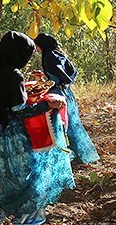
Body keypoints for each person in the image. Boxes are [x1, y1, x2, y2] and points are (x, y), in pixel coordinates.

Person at [0, 31, 75, 225]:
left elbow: (4, 107)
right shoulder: (14, 75)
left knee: (17, 190)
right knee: (33, 191)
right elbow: (18, 113)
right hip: (14, 142)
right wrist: (48, 104)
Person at [33, 33, 100, 165]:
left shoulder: (48, 57)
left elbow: (57, 77)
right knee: (74, 123)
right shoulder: (57, 53)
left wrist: (48, 82)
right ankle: (83, 154)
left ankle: (75, 156)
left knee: (64, 125)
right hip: (67, 92)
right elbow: (69, 73)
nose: (37, 49)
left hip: (59, 93)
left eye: (37, 46)